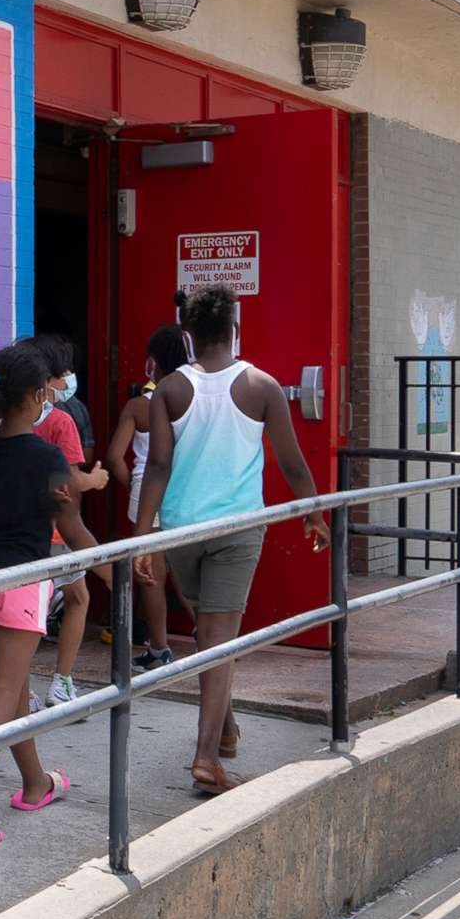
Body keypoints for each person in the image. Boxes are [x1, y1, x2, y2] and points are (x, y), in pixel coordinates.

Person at [134, 285, 327, 797]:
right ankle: (205, 758)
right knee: (217, 640)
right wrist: (313, 512)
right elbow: (291, 461)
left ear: (190, 336)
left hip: (183, 529)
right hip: (238, 529)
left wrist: (143, 536)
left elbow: (157, 466)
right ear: (234, 330)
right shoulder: (261, 385)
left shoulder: (170, 389)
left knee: (207, 633)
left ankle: (225, 727)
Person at [0, 341, 103, 850]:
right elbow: (71, 527)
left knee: (14, 686)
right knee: (6, 691)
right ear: (35, 397)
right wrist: (114, 566)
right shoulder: (48, 456)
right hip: (23, 579)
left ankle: (36, 783)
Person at [27, 334, 110, 707]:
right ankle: (61, 682)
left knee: (28, 609)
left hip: (20, 529)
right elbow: (72, 477)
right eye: (65, 372)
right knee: (76, 598)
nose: (69, 379)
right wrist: (95, 480)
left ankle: (20, 686)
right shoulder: (60, 422)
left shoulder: (5, 420)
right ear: (47, 380)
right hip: (58, 530)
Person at [106, 325, 194, 674]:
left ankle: (159, 648)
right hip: (185, 486)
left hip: (146, 487)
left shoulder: (138, 406)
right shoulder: (191, 401)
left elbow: (114, 456)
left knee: (150, 574)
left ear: (152, 363)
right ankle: (210, 634)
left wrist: (134, 487)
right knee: (190, 570)